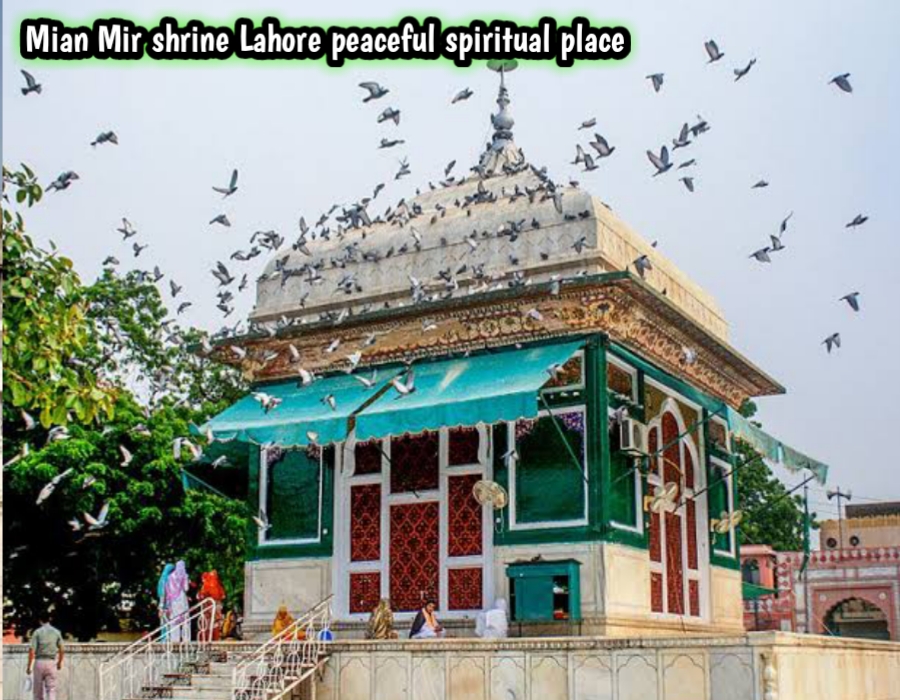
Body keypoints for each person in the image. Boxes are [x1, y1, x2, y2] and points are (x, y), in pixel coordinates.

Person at [27, 613, 64, 700]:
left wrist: (29, 666)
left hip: (39, 662)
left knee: (38, 691)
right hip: (51, 663)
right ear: (49, 619)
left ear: (40, 621)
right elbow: (62, 649)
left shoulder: (37, 632)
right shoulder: (57, 632)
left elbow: (32, 650)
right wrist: (59, 662)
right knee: (51, 689)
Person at [164, 560, 190, 642]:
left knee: (174, 620)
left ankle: (174, 639)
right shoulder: (184, 575)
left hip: (173, 601)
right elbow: (186, 588)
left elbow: (167, 590)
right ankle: (186, 639)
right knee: (185, 620)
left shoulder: (170, 577)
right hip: (182, 599)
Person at [197, 570, 226, 640]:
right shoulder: (218, 585)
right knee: (214, 624)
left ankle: (208, 638)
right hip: (216, 606)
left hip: (209, 607)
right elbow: (223, 596)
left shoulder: (206, 585)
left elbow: (201, 595)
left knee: (208, 624)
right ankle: (215, 638)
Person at [156, 563, 175, 635]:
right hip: (166, 607)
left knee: (165, 626)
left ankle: (165, 639)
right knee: (167, 625)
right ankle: (166, 640)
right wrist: (161, 608)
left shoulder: (163, 580)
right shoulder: (166, 581)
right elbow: (162, 595)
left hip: (167, 607)